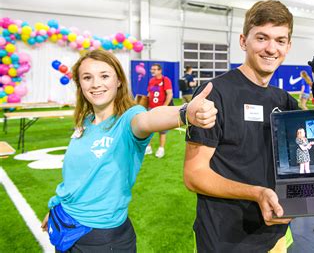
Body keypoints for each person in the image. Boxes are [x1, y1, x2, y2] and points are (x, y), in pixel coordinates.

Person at [183, 0, 314, 252]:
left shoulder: (283, 100)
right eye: (262, 38)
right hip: (225, 239)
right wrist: (257, 193)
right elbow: (194, 176)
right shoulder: (215, 93)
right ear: (243, 40)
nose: (271, 48)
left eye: (280, 40)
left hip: (277, 233)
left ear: (288, 46)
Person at [40, 49, 217, 252]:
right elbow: (73, 177)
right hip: (64, 224)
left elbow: (148, 120)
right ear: (80, 84)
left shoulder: (129, 118)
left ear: (119, 81)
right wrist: (56, 209)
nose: (96, 84)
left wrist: (184, 112)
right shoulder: (85, 122)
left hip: (101, 237)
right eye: (87, 77)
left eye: (104, 76)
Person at [146, 63, 173, 158]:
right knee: (148, 129)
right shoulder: (151, 80)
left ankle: (161, 149)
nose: (152, 71)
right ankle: (148, 148)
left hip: (161, 109)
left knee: (162, 130)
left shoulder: (165, 80)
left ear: (160, 70)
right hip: (151, 108)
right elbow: (149, 93)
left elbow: (169, 94)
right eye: (151, 69)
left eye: (154, 69)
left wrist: (164, 107)